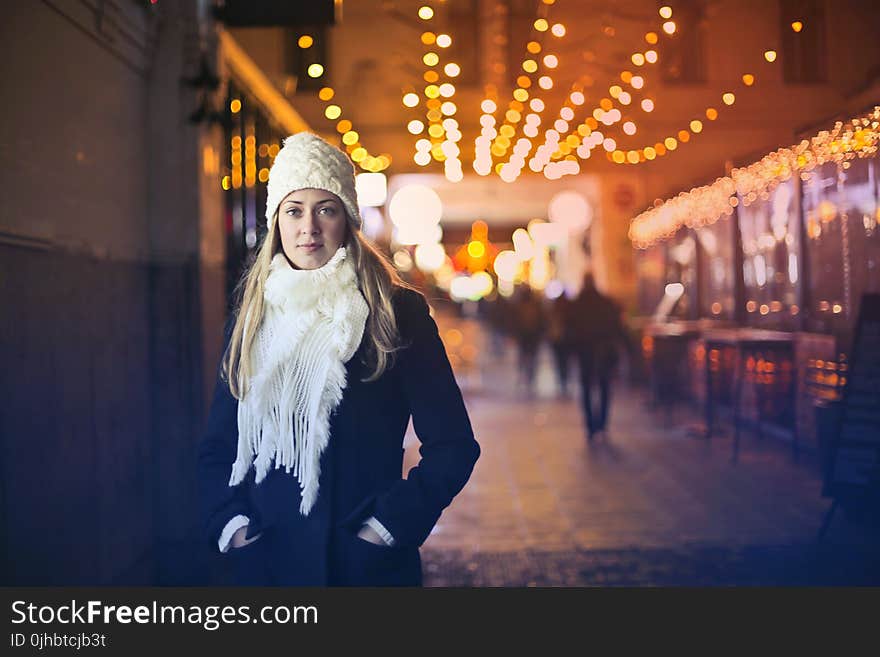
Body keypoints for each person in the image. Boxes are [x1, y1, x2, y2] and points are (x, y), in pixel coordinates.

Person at [197, 132, 480, 586]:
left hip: (362, 568)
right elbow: (218, 447)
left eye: (325, 209)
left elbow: (454, 446)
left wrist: (387, 528)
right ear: (277, 223)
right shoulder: (252, 317)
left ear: (347, 220)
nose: (308, 226)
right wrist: (231, 527)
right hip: (268, 566)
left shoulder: (395, 313)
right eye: (293, 210)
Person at [568, 273, 626, 440]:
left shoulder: (577, 304)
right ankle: (602, 423)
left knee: (586, 387)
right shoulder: (605, 302)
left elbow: (570, 329)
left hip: (584, 351)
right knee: (604, 385)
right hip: (603, 350)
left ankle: (590, 425)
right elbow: (616, 326)